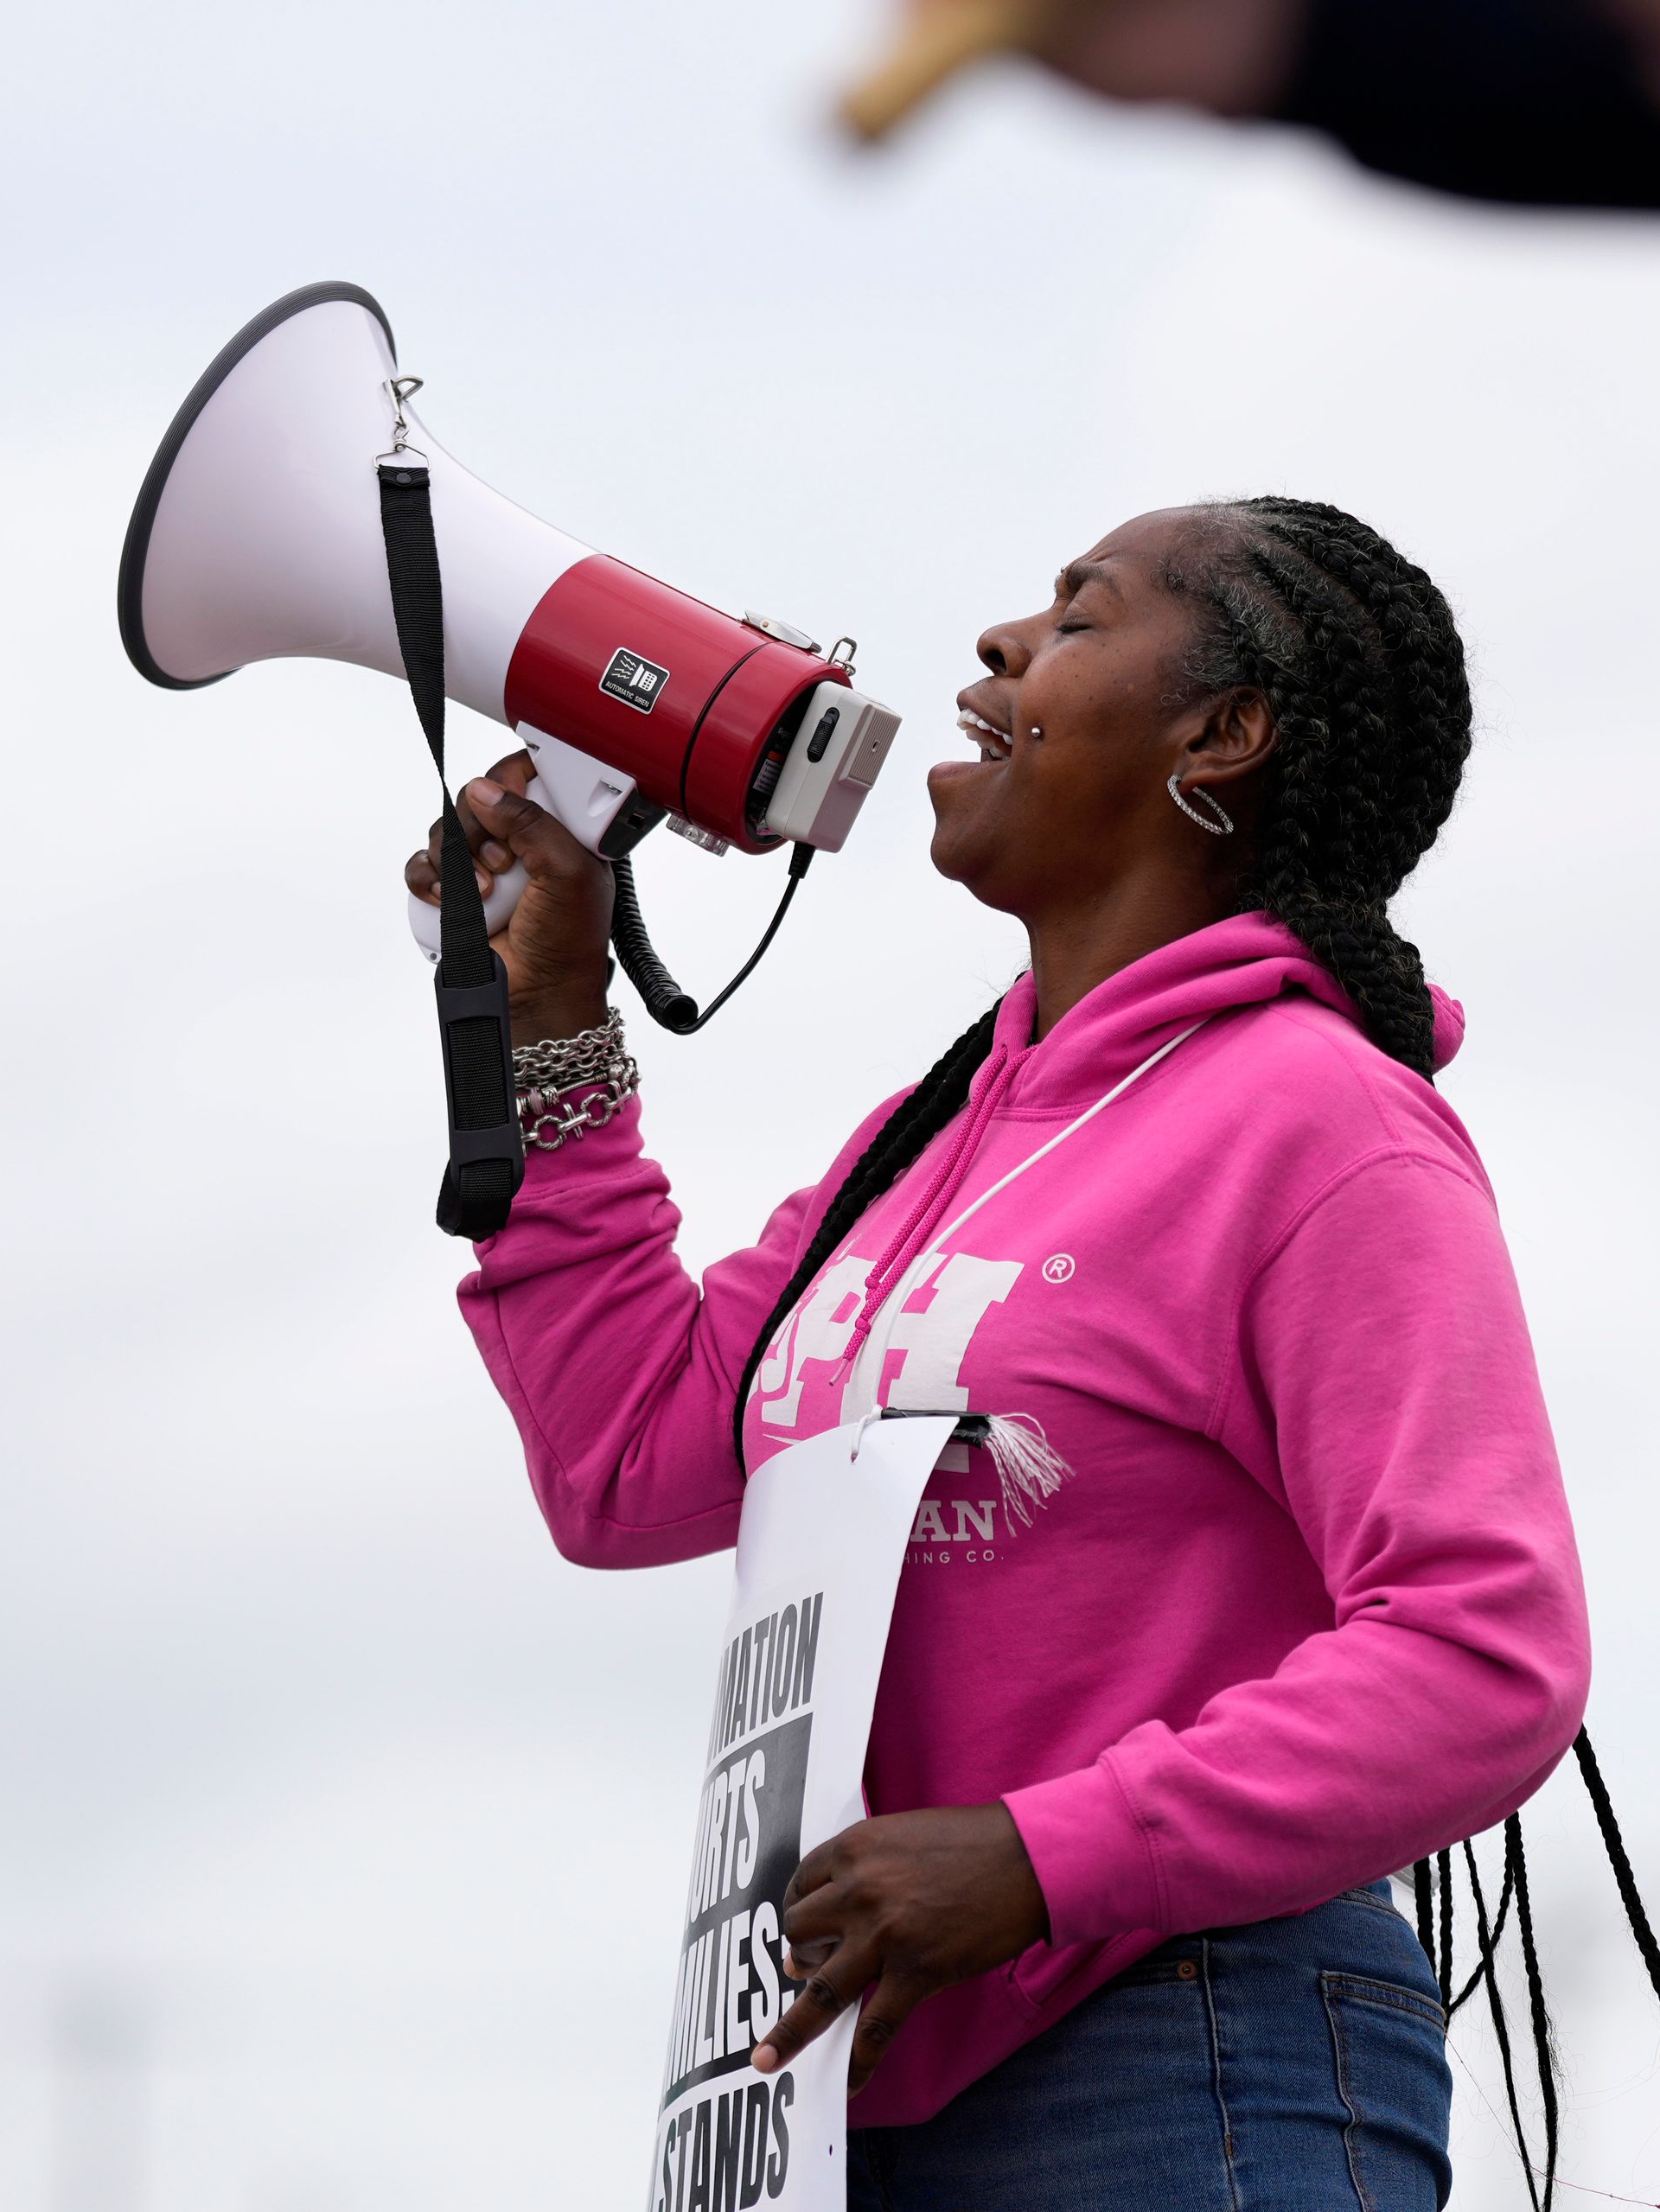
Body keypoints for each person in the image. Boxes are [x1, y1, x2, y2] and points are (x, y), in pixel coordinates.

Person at [407, 498, 1589, 2209]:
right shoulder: (928, 1143)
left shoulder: (1324, 1128)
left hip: (1181, 2048)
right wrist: (553, 1038)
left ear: (1227, 736)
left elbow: (1491, 1646)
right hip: (853, 2096)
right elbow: (628, 1458)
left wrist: (1042, 1856)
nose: (998, 645)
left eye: (1076, 615)